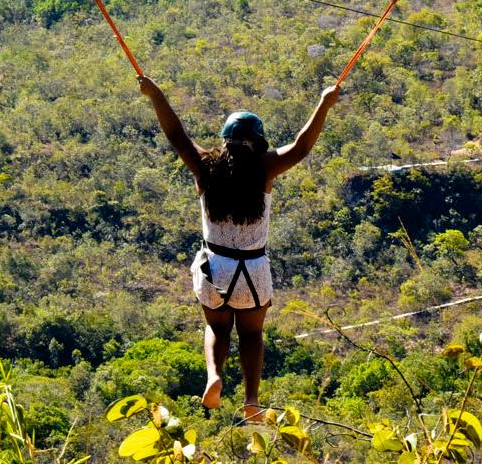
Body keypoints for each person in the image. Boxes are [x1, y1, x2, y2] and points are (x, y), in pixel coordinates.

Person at [139, 75, 340, 420]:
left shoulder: (206, 167)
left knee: (217, 329)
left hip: (215, 267)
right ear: (258, 142)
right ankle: (251, 400)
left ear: (226, 140)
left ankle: (214, 375)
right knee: (252, 333)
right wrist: (324, 101)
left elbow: (176, 135)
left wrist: (155, 94)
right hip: (254, 272)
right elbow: (302, 146)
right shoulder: (264, 169)